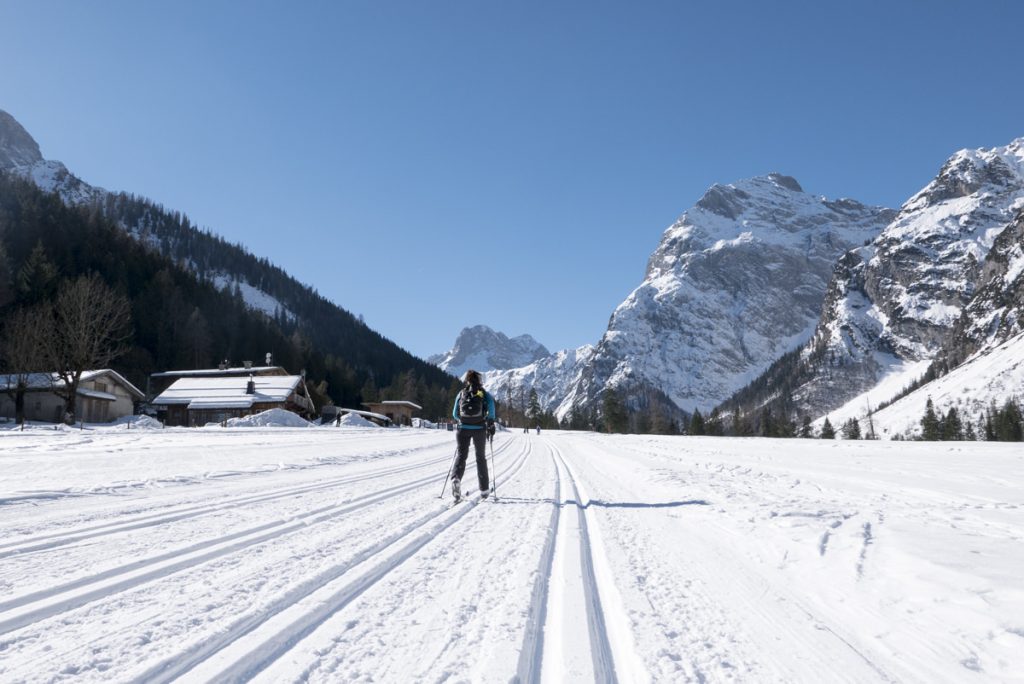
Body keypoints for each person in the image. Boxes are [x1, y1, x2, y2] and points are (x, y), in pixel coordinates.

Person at [451, 369, 496, 501]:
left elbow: (454, 414)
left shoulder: (461, 393)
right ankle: (484, 490)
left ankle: (456, 479)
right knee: (480, 458)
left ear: (467, 380)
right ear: (479, 380)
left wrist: (462, 420)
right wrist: (490, 422)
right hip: (479, 429)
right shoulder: (484, 394)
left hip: (462, 429)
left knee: (461, 455)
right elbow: (491, 408)